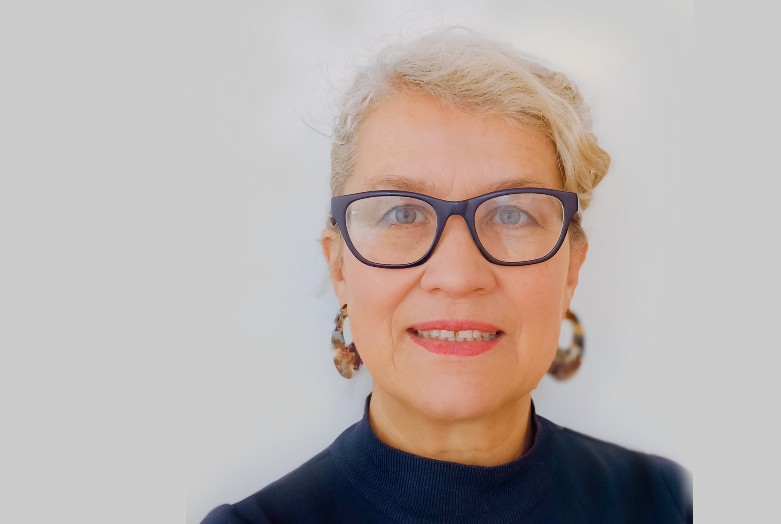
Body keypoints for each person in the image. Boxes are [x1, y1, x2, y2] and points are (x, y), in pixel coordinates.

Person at [202, 27, 691, 524]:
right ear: (339, 266)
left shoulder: (670, 503)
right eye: (402, 214)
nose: (458, 276)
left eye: (511, 214)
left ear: (572, 268)